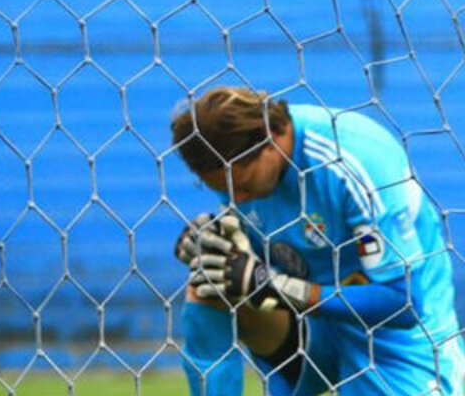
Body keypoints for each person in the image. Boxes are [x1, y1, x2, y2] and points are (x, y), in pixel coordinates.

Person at [171, 86, 465, 396]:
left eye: (242, 185)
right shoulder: (236, 168)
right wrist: (209, 241)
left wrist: (281, 288)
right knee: (210, 281)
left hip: (393, 337)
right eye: (223, 190)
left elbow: (403, 303)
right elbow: (254, 257)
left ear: (270, 140)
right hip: (309, 329)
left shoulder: (354, 161)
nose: (237, 199)